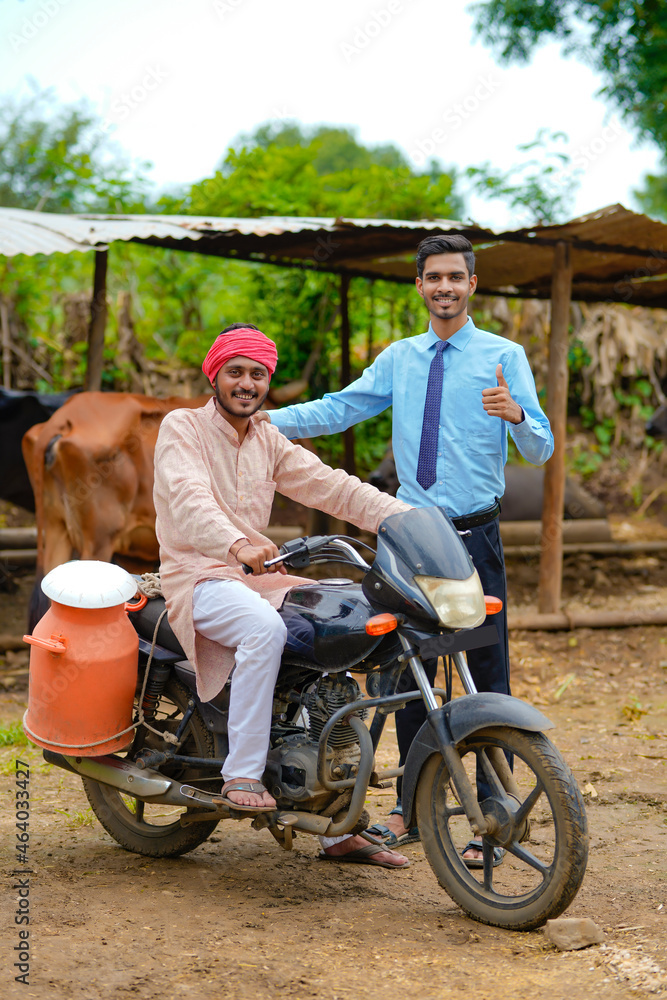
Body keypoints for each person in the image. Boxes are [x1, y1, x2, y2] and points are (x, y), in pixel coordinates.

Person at [266, 235, 553, 864]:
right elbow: (343, 409)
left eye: (456, 276)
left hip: (475, 535)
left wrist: (516, 416)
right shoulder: (401, 358)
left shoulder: (503, 356)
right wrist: (264, 418)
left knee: (484, 668)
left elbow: (542, 449)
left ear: (472, 285)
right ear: (419, 286)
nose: (444, 287)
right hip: (409, 533)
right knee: (404, 664)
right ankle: (411, 809)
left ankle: (492, 813)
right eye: (433, 277)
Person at [153, 323, 412, 869]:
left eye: (258, 374)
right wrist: (237, 541)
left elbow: (333, 486)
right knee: (264, 630)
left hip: (255, 577)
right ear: (215, 374)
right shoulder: (183, 428)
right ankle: (242, 773)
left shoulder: (268, 439)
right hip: (198, 576)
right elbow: (188, 499)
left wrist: (408, 519)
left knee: (346, 626)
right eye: (236, 372)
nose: (247, 383)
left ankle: (338, 822)